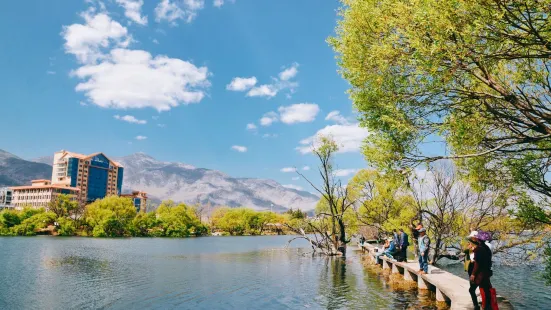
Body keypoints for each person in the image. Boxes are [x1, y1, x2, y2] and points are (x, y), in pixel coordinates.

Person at [467, 236, 493, 310]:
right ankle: (488, 307)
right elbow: (489, 261)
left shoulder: (478, 249)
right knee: (486, 290)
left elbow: (477, 263)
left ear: (478, 241)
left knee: (471, 290)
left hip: (479, 274)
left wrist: (473, 274)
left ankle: (476, 306)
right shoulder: (487, 248)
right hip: (486, 272)